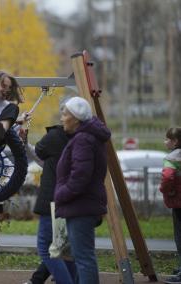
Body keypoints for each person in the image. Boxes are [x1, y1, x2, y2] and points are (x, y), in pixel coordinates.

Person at [54, 96, 110, 284]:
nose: (61, 118)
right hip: (82, 204)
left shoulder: (83, 139)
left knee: (84, 258)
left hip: (81, 206)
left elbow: (80, 176)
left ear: (75, 118)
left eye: (65, 114)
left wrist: (61, 194)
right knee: (82, 257)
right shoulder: (86, 137)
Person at [20, 122, 76, 284]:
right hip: (66, 200)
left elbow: (39, 153)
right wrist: (25, 143)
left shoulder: (56, 137)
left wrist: (24, 143)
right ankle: (39, 279)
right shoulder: (74, 142)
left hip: (54, 200)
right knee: (63, 247)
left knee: (46, 247)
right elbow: (42, 160)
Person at [159, 127, 181, 284]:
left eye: (167, 139)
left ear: (175, 142)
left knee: (179, 236)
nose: (164, 141)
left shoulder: (172, 158)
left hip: (178, 202)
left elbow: (167, 177)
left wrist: (165, 190)